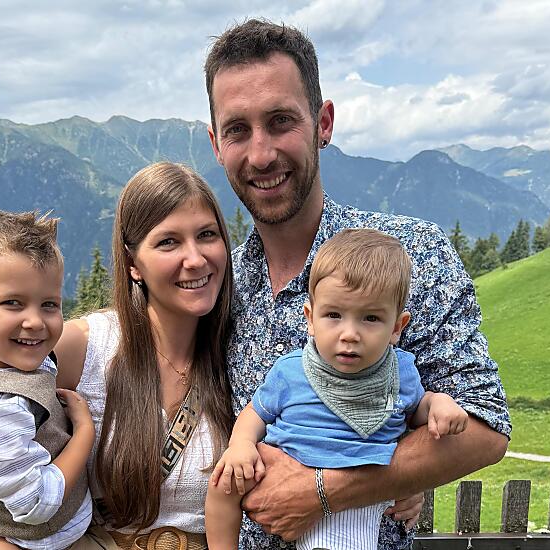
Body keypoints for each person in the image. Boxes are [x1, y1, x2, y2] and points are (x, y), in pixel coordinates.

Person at [203, 19, 511, 550]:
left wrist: (324, 491)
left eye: (280, 121)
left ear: (323, 123)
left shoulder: (412, 255)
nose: (260, 154)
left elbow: (486, 428)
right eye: (237, 130)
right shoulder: (217, 286)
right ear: (216, 144)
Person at [0, 162, 235, 549]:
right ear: (133, 265)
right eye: (168, 242)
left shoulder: (241, 349)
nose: (195, 259)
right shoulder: (87, 346)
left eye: (207, 235)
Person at [205, 229, 469, 550]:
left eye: (370, 318)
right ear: (310, 318)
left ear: (396, 327)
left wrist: (439, 403)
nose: (349, 334)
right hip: (286, 466)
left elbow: (417, 409)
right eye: (333, 315)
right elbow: (256, 412)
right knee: (225, 482)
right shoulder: (292, 370)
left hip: (359, 484)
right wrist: (241, 445)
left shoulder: (400, 373)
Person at [0, 209, 93, 549]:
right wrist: (84, 432)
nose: (35, 322)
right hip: (50, 537)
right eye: (13, 303)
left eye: (49, 304)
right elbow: (36, 503)